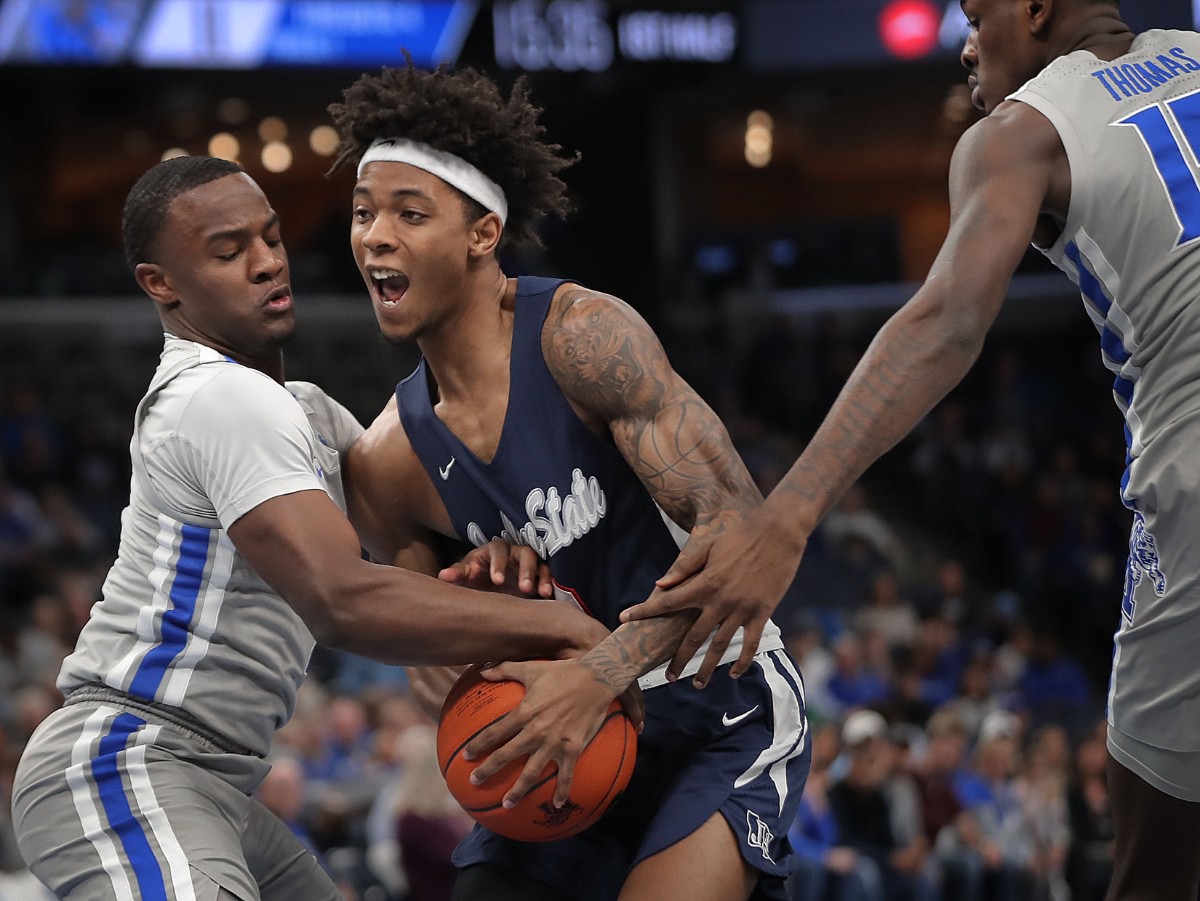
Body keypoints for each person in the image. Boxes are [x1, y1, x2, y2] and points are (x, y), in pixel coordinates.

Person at [623, 1, 1200, 897]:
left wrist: (789, 515)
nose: (964, 44)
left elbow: (946, 320)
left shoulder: (1020, 133)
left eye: (975, 14)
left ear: (1036, 8)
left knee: (1155, 871)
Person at [9, 155, 621, 901]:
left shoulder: (302, 410)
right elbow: (344, 599)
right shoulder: (217, 398)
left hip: (217, 782)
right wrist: (559, 628)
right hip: (127, 758)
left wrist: (490, 561)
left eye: (272, 237)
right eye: (230, 251)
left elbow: (421, 552)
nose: (267, 262)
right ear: (159, 283)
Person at [326, 63, 809, 900]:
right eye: (364, 214)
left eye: (410, 213)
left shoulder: (583, 339)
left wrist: (599, 671)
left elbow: (743, 537)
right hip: (563, 736)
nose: (374, 236)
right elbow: (431, 668)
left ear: (483, 233)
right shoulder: (386, 461)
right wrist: (497, 620)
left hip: (715, 704)